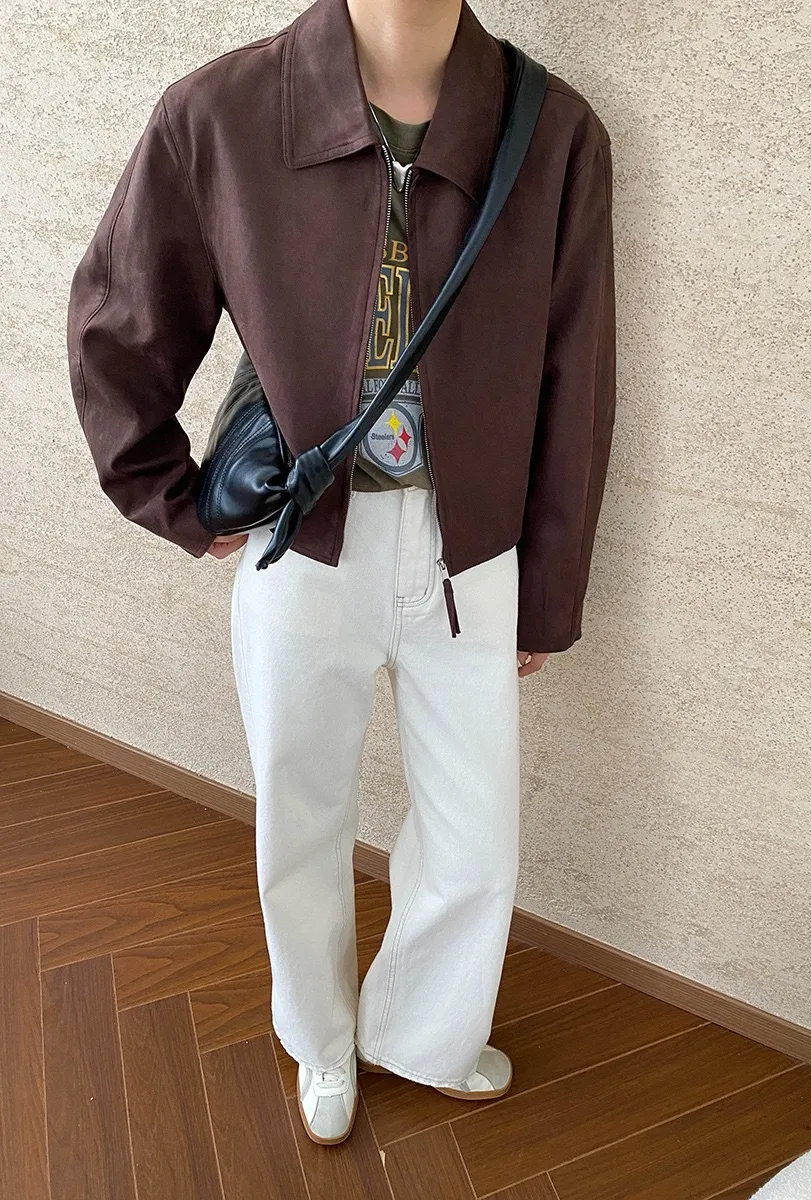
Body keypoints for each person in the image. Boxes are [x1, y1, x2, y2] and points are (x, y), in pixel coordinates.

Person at [66, 0, 615, 1147]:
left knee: (475, 837)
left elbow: (577, 376)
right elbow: (121, 320)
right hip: (304, 540)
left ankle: (423, 1030)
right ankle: (321, 1036)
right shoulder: (221, 115)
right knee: (300, 813)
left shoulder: (554, 131)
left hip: (474, 549)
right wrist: (170, 496)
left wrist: (550, 588)